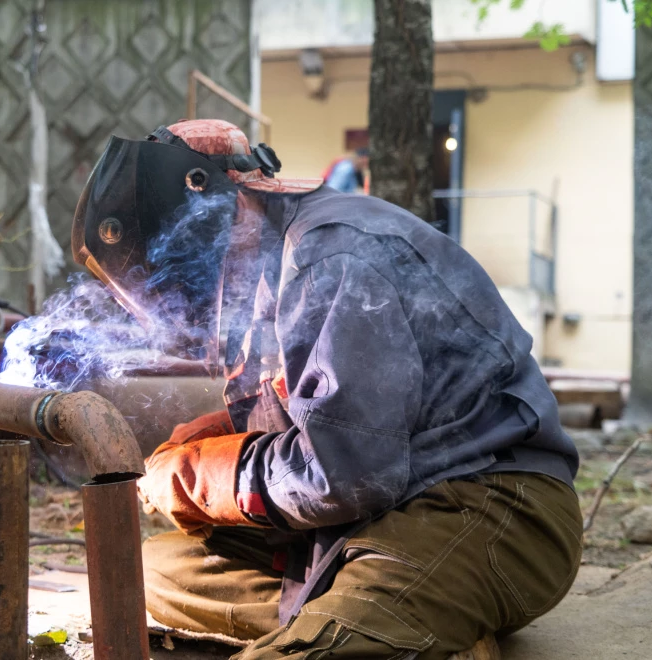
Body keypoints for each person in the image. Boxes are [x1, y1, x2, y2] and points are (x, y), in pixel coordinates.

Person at [70, 119, 581, 659]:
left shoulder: (333, 257)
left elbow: (347, 474)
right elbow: (319, 410)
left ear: (224, 206)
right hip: (365, 518)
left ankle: (382, 621)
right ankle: (412, 620)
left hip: (484, 502)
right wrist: (216, 436)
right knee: (152, 571)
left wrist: (201, 477)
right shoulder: (271, 265)